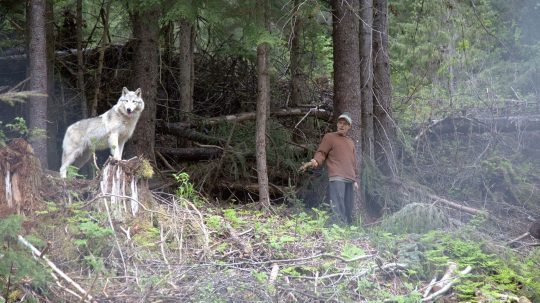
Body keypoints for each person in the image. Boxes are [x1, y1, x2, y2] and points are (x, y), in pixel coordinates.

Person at [307, 112, 359, 224]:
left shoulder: (350, 142)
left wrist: (355, 179)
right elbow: (322, 152)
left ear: (349, 126)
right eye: (340, 123)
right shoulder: (330, 137)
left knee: (348, 205)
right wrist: (316, 160)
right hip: (337, 176)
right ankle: (339, 228)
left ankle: (347, 228)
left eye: (345, 124)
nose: (342, 125)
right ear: (337, 124)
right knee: (338, 204)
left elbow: (353, 162)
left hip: (350, 178)